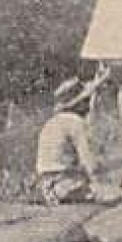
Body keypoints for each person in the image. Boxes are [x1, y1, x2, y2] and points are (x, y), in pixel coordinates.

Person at [34, 67, 111, 205]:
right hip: (66, 186)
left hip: (47, 188)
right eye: (87, 100)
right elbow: (92, 167)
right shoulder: (75, 122)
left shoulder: (52, 122)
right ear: (80, 103)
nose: (90, 105)